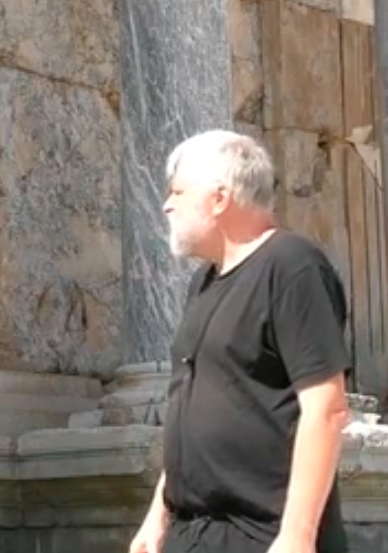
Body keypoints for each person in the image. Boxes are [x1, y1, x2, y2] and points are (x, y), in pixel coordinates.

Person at [129, 129, 353, 553]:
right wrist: (157, 517)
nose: (166, 204)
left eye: (178, 191)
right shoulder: (204, 282)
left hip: (264, 535)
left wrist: (297, 536)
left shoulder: (292, 266)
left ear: (219, 198)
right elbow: (193, 410)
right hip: (192, 532)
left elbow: (326, 407)